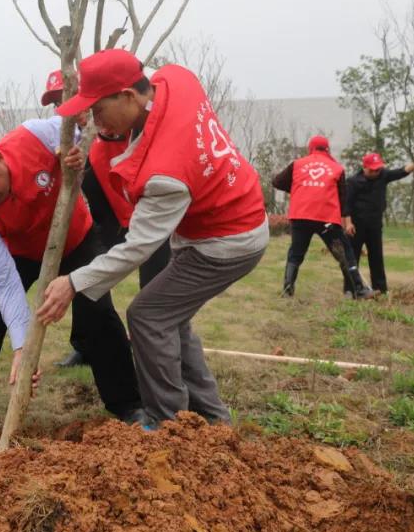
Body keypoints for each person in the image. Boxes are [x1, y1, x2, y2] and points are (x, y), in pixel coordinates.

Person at [37, 50, 268, 428]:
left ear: (129, 96)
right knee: (171, 318)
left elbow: (139, 246)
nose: (93, 121)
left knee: (147, 316)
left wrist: (74, 283)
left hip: (226, 241)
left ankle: (168, 425)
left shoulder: (164, 172)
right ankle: (213, 420)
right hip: (231, 214)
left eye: (97, 110)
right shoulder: (177, 79)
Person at [0, 117, 150, 426]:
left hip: (75, 239)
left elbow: (84, 129)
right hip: (21, 251)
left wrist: (73, 152)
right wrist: (22, 348)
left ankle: (128, 402)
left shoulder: (35, 136)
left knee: (96, 307)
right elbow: (6, 283)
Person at [39, 70, 171, 368]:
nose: (67, 109)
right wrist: (71, 165)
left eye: (69, 98)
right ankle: (86, 345)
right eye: (57, 102)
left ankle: (157, 355)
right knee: (87, 279)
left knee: (153, 292)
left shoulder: (127, 126)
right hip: (109, 223)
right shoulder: (72, 139)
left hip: (148, 223)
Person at [273, 135, 374, 300]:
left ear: (310, 148)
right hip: (326, 220)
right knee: (344, 252)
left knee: (296, 253)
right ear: (327, 149)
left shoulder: (297, 164)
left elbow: (277, 182)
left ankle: (287, 290)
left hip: (300, 216)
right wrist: (344, 219)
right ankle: (359, 289)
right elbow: (342, 199)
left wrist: (298, 188)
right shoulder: (336, 168)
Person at [342, 150, 414, 294]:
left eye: (378, 168)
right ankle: (350, 290)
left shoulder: (383, 175)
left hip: (375, 224)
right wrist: (348, 224)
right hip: (356, 225)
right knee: (353, 258)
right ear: (365, 168)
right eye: (373, 169)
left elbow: (402, 171)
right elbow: (346, 205)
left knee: (376, 257)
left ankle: (380, 289)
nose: (376, 172)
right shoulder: (353, 182)